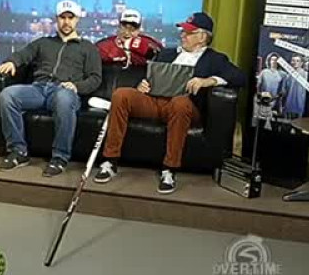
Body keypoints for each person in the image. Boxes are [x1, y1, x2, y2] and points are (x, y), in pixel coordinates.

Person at [93, 12, 245, 194]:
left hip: (184, 106)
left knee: (179, 103)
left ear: (203, 37)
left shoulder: (215, 59)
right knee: (121, 95)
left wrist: (210, 81)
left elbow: (240, 77)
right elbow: (150, 76)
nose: (183, 35)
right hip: (155, 101)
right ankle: (110, 161)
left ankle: (169, 169)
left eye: (188, 33)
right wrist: (144, 84)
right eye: (183, 31)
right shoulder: (166, 53)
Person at [0, 0, 102, 177]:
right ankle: (18, 152)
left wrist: (76, 86)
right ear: (56, 19)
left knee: (63, 99)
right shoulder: (43, 42)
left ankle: (60, 158)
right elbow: (23, 54)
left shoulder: (88, 48)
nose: (66, 22)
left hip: (65, 91)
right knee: (8, 95)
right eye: (62, 18)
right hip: (39, 89)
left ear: (77, 20)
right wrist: (12, 61)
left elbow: (95, 78)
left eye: (70, 18)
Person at [96, 9, 162, 67]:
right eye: (124, 27)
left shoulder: (149, 43)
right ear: (119, 27)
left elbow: (163, 64)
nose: (127, 32)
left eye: (132, 29)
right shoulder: (104, 46)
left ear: (139, 29)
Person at [283, 55, 308, 119]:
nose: (295, 62)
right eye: (293, 60)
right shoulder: (288, 76)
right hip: (289, 105)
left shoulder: (306, 75)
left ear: (301, 63)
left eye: (297, 61)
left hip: (301, 106)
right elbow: (284, 91)